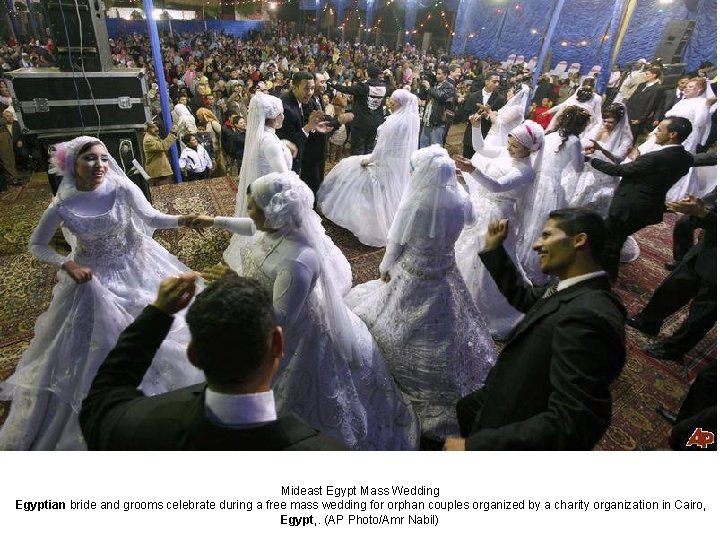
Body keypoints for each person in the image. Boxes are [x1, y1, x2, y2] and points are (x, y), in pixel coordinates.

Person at [0, 136, 220, 450]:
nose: (100, 165)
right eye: (90, 159)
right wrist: (67, 264)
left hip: (140, 264)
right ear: (72, 164)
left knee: (171, 321)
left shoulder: (120, 187)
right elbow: (36, 246)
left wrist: (184, 220)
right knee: (96, 346)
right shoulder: (62, 206)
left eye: (104, 158)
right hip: (95, 280)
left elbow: (150, 218)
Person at [199, 172, 420, 450]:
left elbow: (280, 320)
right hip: (268, 313)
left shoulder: (298, 261)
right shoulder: (275, 230)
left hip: (295, 339)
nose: (248, 211)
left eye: (254, 206)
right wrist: (214, 221)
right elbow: (251, 227)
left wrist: (236, 284)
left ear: (275, 212)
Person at [80, 274, 345, 450]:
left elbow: (100, 401)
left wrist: (158, 313)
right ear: (278, 344)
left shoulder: (133, 428)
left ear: (193, 354)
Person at [344, 146, 496, 442]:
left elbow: (396, 242)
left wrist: (385, 266)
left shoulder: (415, 204)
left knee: (390, 321)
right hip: (445, 272)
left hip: (412, 273)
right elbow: (473, 221)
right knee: (451, 326)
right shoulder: (459, 198)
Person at [444, 209, 626, 450]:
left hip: (515, 422)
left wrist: (477, 447)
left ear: (579, 240)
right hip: (501, 394)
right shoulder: (573, 289)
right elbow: (527, 298)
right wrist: (495, 251)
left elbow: (572, 422)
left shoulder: (590, 317)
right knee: (465, 409)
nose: (536, 245)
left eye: (546, 235)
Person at [453, 119, 545, 339]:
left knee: (484, 259)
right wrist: (475, 127)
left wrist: (472, 170)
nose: (509, 148)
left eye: (516, 146)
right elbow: (481, 148)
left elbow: (498, 186)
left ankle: (480, 305)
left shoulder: (525, 171)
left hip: (497, 215)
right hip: (481, 205)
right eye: (510, 142)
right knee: (464, 248)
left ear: (529, 149)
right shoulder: (506, 153)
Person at [590, 116, 695, 281]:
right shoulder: (686, 158)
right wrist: (638, 161)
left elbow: (617, 170)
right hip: (650, 206)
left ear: (673, 134)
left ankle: (605, 279)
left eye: (660, 129)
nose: (655, 132)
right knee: (614, 238)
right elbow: (654, 173)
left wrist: (591, 159)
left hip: (630, 207)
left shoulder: (654, 158)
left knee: (611, 242)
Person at [317, 89, 420, 247]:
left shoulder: (394, 121)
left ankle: (365, 222)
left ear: (399, 103)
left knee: (350, 170)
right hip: (399, 164)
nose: (389, 103)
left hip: (384, 162)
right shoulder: (412, 118)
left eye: (392, 101)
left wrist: (369, 160)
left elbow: (382, 147)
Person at [626, 191, 716, 364]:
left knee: (703, 312)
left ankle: (674, 348)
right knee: (674, 286)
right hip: (707, 246)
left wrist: (703, 214)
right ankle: (648, 321)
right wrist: (694, 209)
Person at [517, 106, 590, 284]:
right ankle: (530, 266)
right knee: (540, 226)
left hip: (535, 182)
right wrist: (583, 156)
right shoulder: (574, 141)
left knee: (525, 220)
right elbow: (578, 168)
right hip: (550, 187)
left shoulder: (549, 135)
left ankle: (516, 257)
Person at [223, 92, 292, 269]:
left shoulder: (265, 136)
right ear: (274, 116)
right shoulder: (269, 141)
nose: (283, 116)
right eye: (281, 113)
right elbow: (283, 175)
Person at [570, 103, 633, 213]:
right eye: (604, 121)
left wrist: (601, 149)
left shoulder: (625, 138)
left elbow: (618, 159)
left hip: (605, 172)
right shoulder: (598, 128)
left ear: (619, 122)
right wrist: (586, 149)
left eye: (610, 122)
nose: (606, 124)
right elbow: (583, 143)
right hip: (587, 167)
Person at [277, 71, 333, 173]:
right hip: (286, 163)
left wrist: (314, 125)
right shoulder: (286, 109)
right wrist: (309, 126)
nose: (310, 92)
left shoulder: (303, 100)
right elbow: (287, 143)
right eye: (306, 88)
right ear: (294, 87)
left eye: (312, 88)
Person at [328, 64, 389, 155]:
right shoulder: (384, 87)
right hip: (376, 122)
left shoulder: (363, 87)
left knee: (358, 149)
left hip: (361, 122)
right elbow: (389, 84)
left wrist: (330, 81)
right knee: (369, 149)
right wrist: (388, 77)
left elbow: (345, 89)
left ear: (367, 73)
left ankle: (358, 168)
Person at [458, 71, 504, 157]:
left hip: (488, 137)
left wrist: (487, 116)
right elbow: (465, 113)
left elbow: (500, 119)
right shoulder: (473, 96)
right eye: (494, 82)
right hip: (471, 136)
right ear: (486, 82)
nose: (497, 84)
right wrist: (472, 117)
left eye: (498, 82)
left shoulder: (500, 99)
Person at [418, 64, 458, 148]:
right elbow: (422, 96)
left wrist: (429, 88)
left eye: (439, 74)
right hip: (427, 121)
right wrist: (423, 86)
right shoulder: (434, 85)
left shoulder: (449, 87)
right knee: (422, 147)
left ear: (445, 75)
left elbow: (441, 97)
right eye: (436, 73)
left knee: (435, 149)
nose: (437, 76)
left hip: (438, 123)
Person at [624, 66, 664, 142]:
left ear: (654, 75)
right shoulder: (642, 84)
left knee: (631, 137)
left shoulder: (657, 89)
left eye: (647, 74)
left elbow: (651, 105)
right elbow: (632, 98)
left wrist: (641, 119)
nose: (645, 76)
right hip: (629, 112)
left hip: (638, 116)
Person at [142, 122, 178, 186]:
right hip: (159, 174)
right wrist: (172, 133)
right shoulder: (148, 140)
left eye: (156, 126)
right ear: (147, 129)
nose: (157, 129)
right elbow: (163, 146)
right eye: (153, 127)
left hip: (162, 172)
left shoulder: (154, 137)